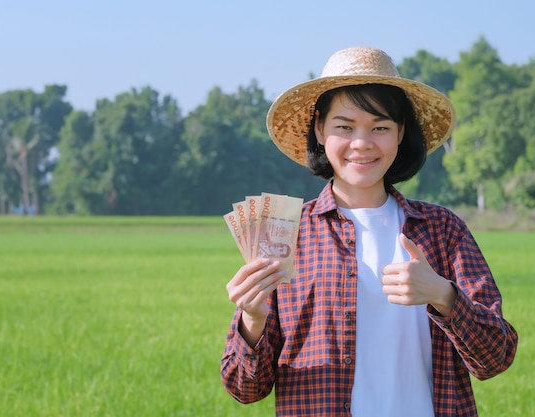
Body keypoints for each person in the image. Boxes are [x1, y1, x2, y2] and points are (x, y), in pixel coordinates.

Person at [221, 46, 518, 417]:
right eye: (344, 127)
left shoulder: (443, 230)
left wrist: (443, 294)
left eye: (380, 127)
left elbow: (497, 357)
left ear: (400, 134)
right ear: (320, 130)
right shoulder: (285, 233)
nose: (362, 143)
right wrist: (253, 318)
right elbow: (244, 388)